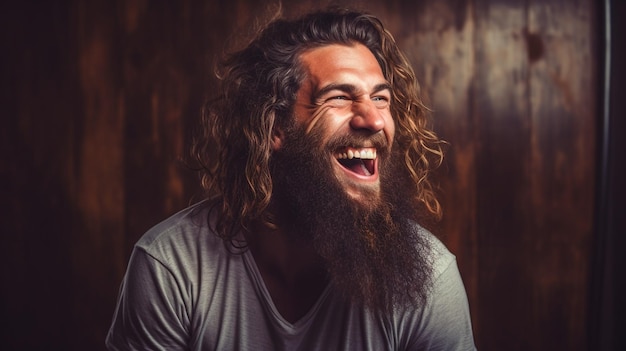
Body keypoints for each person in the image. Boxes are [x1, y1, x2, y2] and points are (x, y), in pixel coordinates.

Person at [106, 7, 476, 351]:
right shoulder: (173, 268)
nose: (374, 119)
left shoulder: (429, 278)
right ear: (275, 126)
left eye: (381, 99)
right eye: (338, 97)